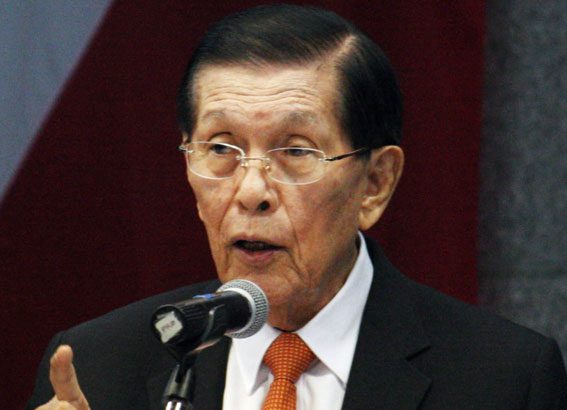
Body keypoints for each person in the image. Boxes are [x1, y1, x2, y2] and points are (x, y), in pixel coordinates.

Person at [27, 4, 567, 410]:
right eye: (221, 148)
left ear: (375, 183)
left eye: (295, 152)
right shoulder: (98, 369)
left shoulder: (502, 381)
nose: (251, 191)